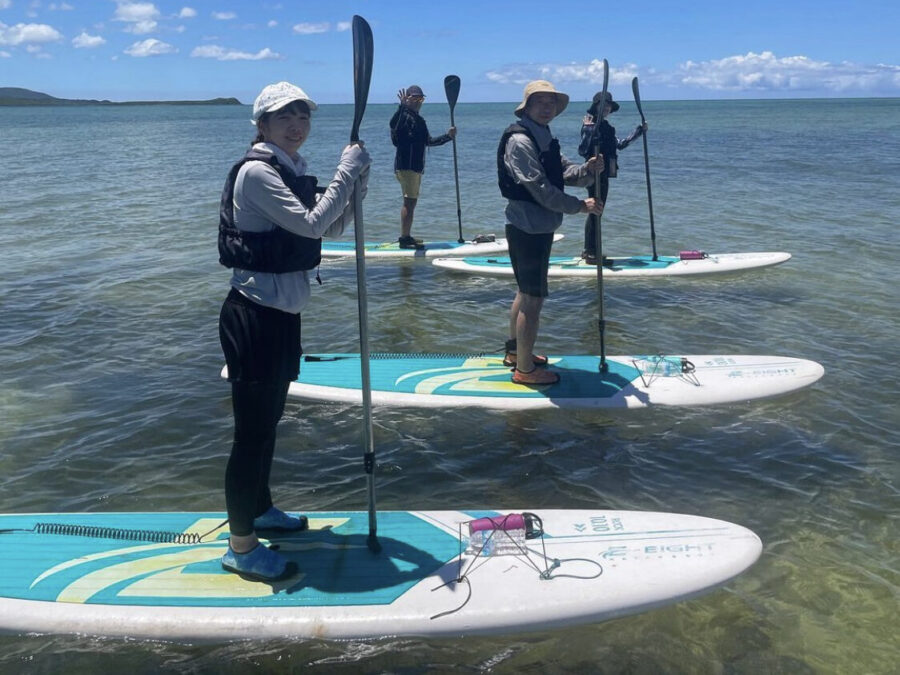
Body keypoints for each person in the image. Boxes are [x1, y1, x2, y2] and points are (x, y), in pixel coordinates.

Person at [217, 81, 371, 582]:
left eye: (303, 115)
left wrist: (357, 184)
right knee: (251, 435)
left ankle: (260, 510)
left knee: (268, 427)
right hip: (254, 316)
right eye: (284, 116)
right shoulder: (258, 173)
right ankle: (241, 547)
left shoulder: (292, 169)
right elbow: (310, 225)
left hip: (281, 316)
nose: (296, 124)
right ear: (261, 125)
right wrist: (346, 173)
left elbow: (334, 227)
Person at [497, 80, 602, 385]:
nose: (546, 107)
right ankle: (526, 371)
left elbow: (563, 172)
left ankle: (517, 353)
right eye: (539, 101)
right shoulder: (520, 141)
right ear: (527, 106)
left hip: (537, 226)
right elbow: (540, 188)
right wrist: (579, 206)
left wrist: (588, 170)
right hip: (527, 227)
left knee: (525, 292)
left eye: (551, 102)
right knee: (533, 299)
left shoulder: (541, 134)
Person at [578, 91, 648, 264]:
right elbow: (583, 151)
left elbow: (621, 145)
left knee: (597, 212)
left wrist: (639, 131)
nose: (607, 109)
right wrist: (588, 130)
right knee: (596, 210)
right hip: (594, 173)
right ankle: (591, 254)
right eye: (603, 105)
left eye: (608, 106)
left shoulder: (607, 128)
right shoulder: (590, 125)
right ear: (595, 106)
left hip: (606, 174)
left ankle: (589, 251)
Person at [389, 84, 457, 249]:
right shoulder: (403, 117)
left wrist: (448, 137)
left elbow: (429, 141)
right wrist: (401, 108)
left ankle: (407, 236)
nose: (418, 102)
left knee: (411, 202)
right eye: (415, 98)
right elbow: (393, 126)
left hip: (416, 167)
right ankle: (404, 239)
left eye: (421, 99)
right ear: (408, 99)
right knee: (409, 202)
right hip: (406, 167)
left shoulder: (419, 119)